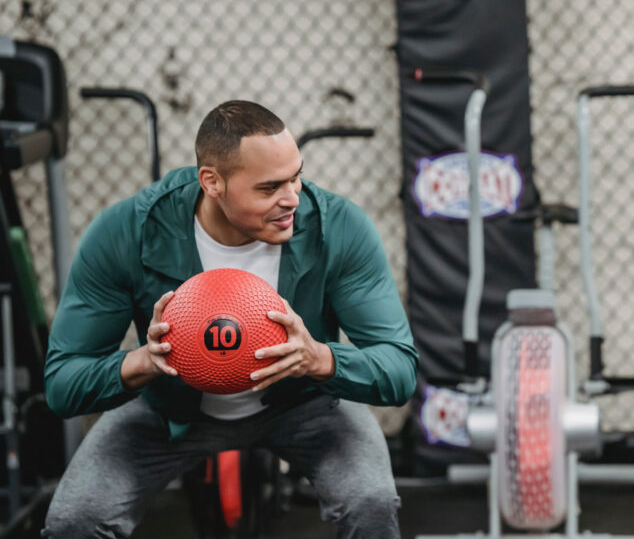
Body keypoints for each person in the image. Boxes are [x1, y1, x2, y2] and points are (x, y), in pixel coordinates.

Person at [43, 100, 418, 538]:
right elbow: (63, 384)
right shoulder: (127, 232)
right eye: (269, 188)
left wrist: (320, 359)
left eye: (296, 176)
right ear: (212, 182)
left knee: (370, 501)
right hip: (170, 408)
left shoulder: (338, 228)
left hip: (302, 402)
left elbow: (399, 370)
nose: (291, 198)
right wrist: (142, 362)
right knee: (75, 519)